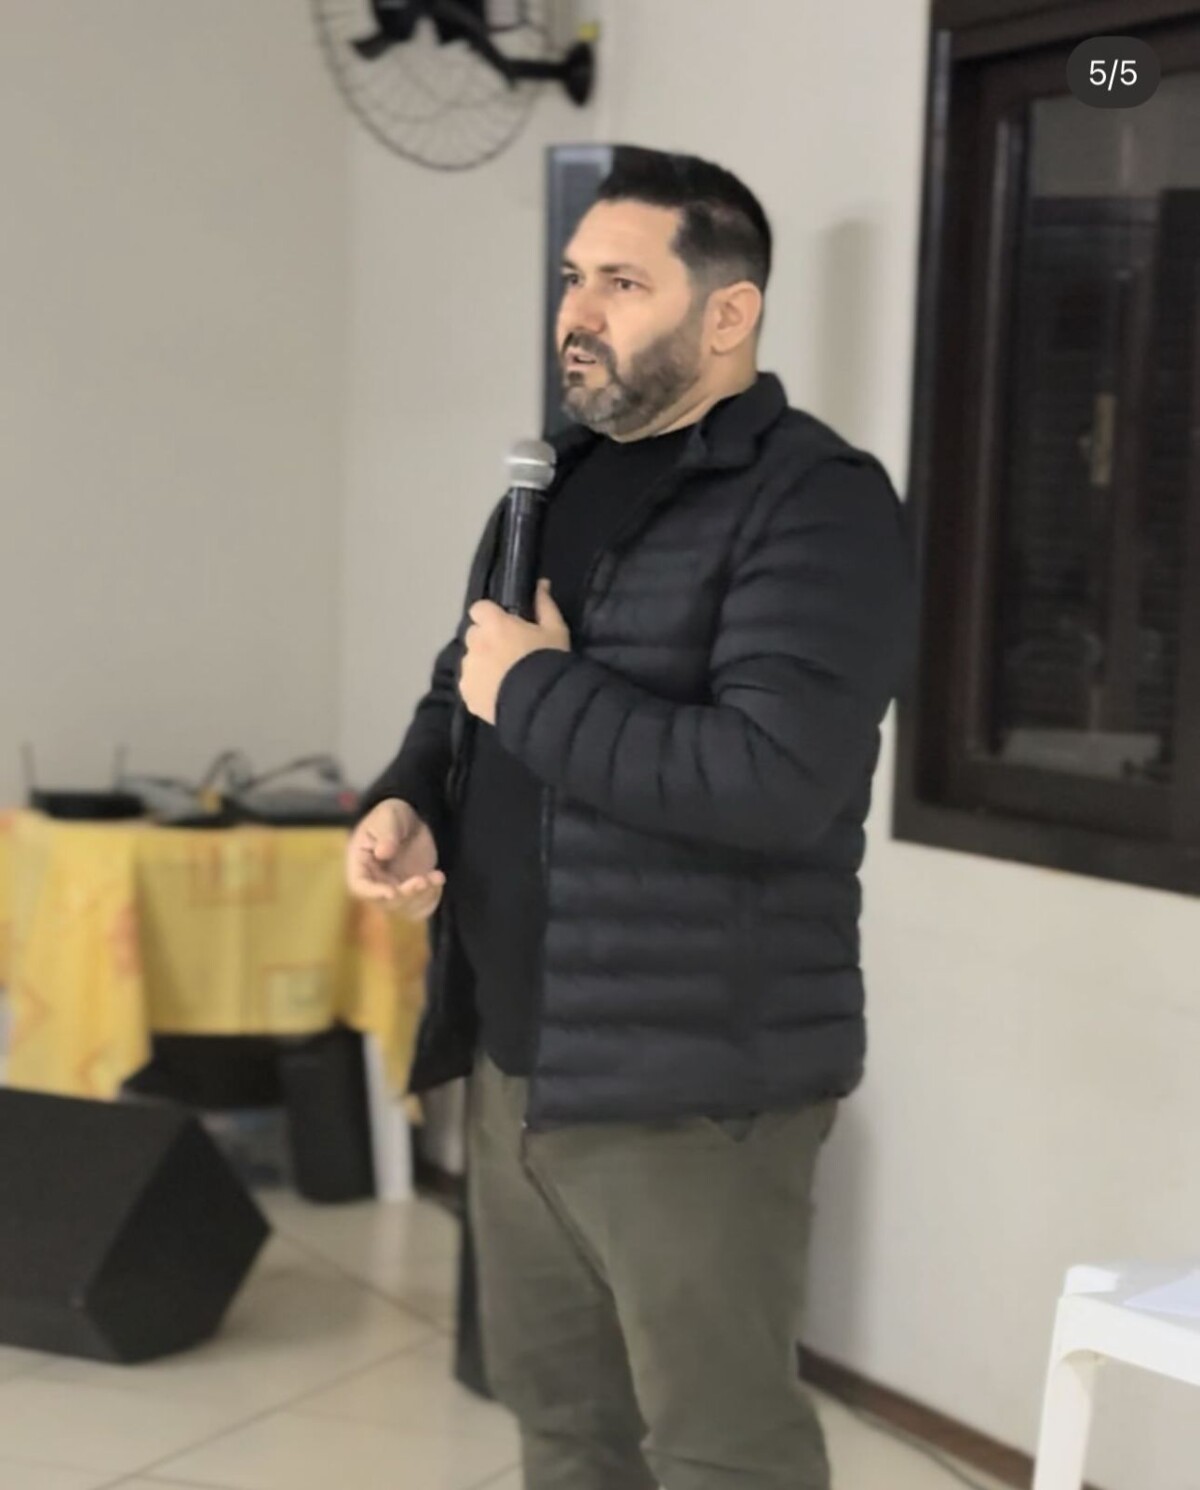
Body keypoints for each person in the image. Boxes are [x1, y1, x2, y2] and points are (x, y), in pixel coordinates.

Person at [346, 145, 917, 1490]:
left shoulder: (817, 501)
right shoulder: (547, 481)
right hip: (519, 1062)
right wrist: (412, 797)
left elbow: (771, 777)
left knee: (721, 1452)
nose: (578, 314)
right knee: (564, 1432)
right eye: (571, 279)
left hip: (691, 1086)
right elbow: (466, 682)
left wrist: (535, 687)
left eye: (622, 282)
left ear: (728, 313)